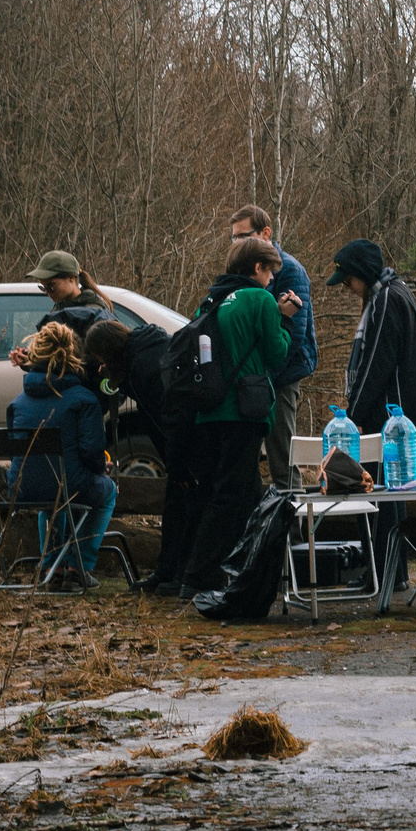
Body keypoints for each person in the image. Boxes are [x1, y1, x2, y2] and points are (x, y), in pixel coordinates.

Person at [178, 237, 294, 593]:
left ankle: (245, 571)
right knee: (231, 495)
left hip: (208, 410)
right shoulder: (260, 299)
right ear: (257, 268)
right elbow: (277, 355)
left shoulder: (211, 299)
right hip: (245, 410)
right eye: (271, 271)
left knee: (234, 491)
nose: (273, 279)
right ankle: (200, 576)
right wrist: (285, 318)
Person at [83, 317, 194, 595]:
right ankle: (167, 571)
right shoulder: (142, 355)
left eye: (100, 358)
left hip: (186, 445)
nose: (100, 365)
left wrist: (179, 464)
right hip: (180, 446)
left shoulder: (145, 368)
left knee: (187, 506)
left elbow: (169, 420)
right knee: (175, 506)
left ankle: (180, 575)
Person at [8, 322, 115, 592]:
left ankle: (50, 565)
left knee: (50, 497)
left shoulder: (19, 402)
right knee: (107, 492)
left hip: (23, 488)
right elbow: (92, 455)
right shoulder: (83, 399)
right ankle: (77, 567)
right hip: (72, 485)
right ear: (72, 356)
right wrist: (102, 467)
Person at [228, 204, 316, 491]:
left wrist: (264, 378)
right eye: (234, 239)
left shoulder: (288, 270)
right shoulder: (242, 271)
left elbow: (294, 338)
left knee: (283, 463)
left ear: (265, 233)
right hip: (252, 379)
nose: (238, 244)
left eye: (244, 236)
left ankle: (292, 534)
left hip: (280, 378)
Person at [328, 238, 416, 439]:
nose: (347, 287)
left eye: (348, 280)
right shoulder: (399, 290)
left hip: (386, 416)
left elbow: (375, 363)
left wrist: (355, 414)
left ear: (362, 273)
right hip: (399, 413)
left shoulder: (385, 300)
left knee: (375, 471)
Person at [12, 250, 113, 367]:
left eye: (51, 286)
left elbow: (84, 362)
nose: (48, 292)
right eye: (43, 288)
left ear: (71, 278)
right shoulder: (59, 308)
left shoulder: (93, 312)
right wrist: (30, 359)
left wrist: (39, 361)